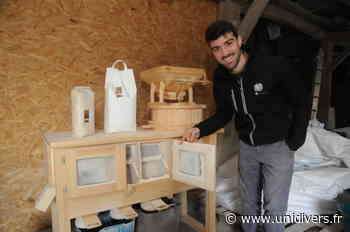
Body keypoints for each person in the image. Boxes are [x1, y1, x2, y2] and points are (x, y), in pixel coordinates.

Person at [182, 20, 309, 232]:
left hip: (278, 146)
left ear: (240, 41)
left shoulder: (272, 65)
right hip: (247, 148)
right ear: (212, 52)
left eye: (229, 43)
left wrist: (296, 140)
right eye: (217, 49)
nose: (225, 52)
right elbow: (224, 113)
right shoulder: (221, 76)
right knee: (248, 203)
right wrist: (199, 128)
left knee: (274, 207)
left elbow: (301, 100)